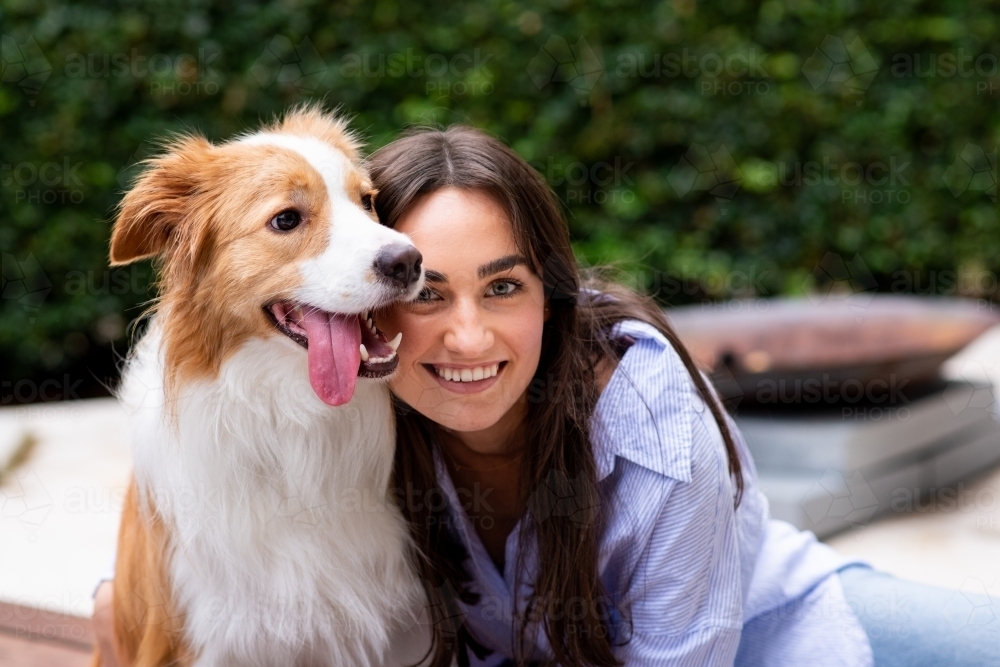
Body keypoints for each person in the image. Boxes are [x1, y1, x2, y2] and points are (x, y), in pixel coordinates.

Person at [93, 126, 1000, 667]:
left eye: (503, 286)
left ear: (553, 290)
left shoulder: (648, 422)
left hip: (781, 622)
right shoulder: (374, 401)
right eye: (427, 288)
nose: (468, 338)